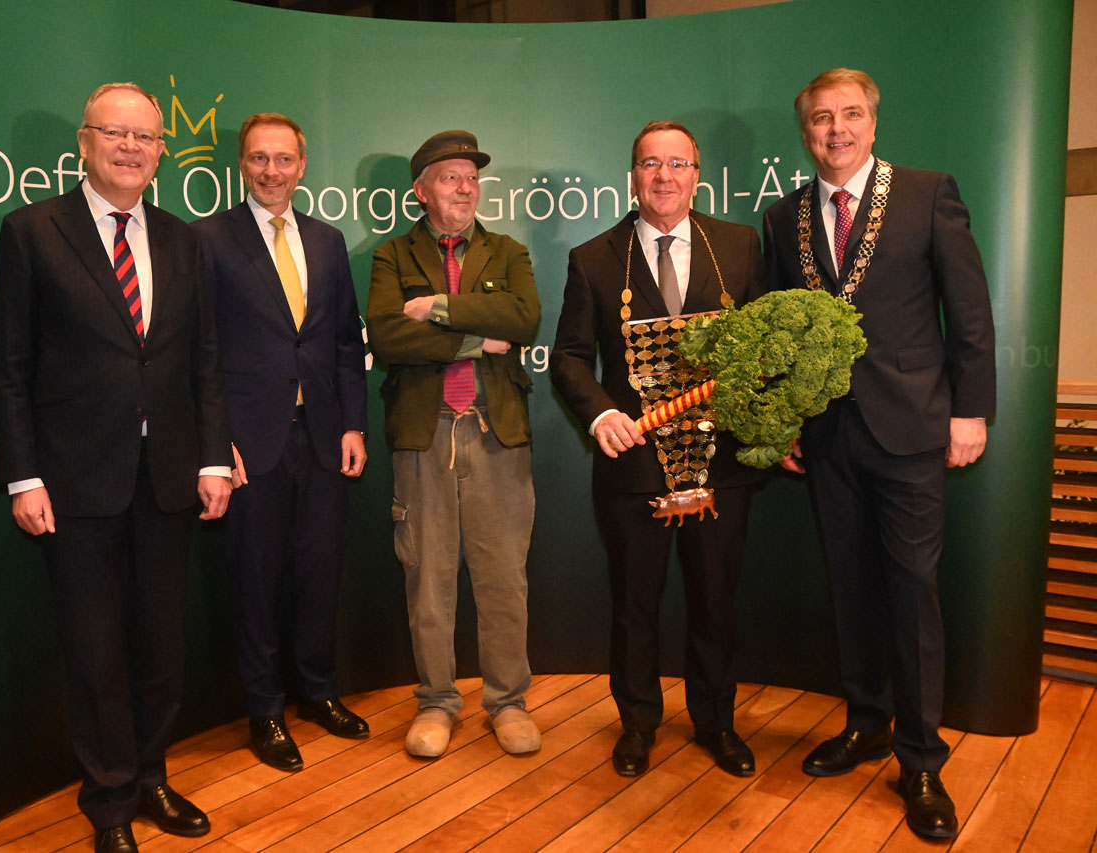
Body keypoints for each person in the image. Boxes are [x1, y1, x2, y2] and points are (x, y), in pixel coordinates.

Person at [0, 82, 232, 853]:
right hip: (74, 485)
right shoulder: (31, 231)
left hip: (166, 478)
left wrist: (211, 457)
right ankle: (111, 804)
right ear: (84, 142)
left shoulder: (183, 240)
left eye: (146, 138)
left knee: (161, 644)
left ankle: (154, 774)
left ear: (162, 152)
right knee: (95, 652)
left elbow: (204, 363)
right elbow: (11, 368)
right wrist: (24, 476)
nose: (131, 147)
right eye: (115, 133)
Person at [762, 68, 995, 841]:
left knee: (911, 591)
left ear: (872, 122)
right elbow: (783, 330)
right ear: (806, 133)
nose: (837, 130)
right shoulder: (782, 216)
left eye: (851, 115)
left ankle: (921, 759)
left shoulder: (928, 193)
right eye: (822, 119)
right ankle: (865, 720)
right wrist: (791, 415)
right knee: (850, 586)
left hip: (913, 429)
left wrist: (971, 409)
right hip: (828, 436)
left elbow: (968, 310)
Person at [551, 121, 767, 779]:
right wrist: (601, 412)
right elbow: (567, 357)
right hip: (635, 467)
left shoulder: (739, 244)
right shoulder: (593, 257)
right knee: (635, 605)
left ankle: (716, 722)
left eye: (677, 163)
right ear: (634, 174)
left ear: (696, 174)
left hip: (720, 464)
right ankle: (638, 723)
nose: (664, 176)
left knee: (715, 601)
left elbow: (761, 347)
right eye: (651, 163)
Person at [193, 113, 369, 772]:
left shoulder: (326, 240)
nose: (273, 170)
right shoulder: (206, 239)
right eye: (260, 158)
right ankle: (265, 710)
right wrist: (216, 444)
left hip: (322, 438)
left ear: (302, 164)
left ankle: (319, 692)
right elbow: (198, 352)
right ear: (242, 164)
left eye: (284, 159)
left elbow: (344, 341)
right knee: (256, 583)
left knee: (320, 576)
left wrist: (353, 422)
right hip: (249, 446)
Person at [366, 130, 541, 758]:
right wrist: (476, 337)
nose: (465, 187)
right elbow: (387, 338)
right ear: (422, 191)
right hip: (425, 433)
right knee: (429, 577)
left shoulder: (509, 250)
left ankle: (507, 701)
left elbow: (522, 321)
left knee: (502, 576)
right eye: (449, 177)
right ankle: (437, 702)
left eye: (471, 176)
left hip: (497, 434)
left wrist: (435, 306)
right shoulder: (391, 256)